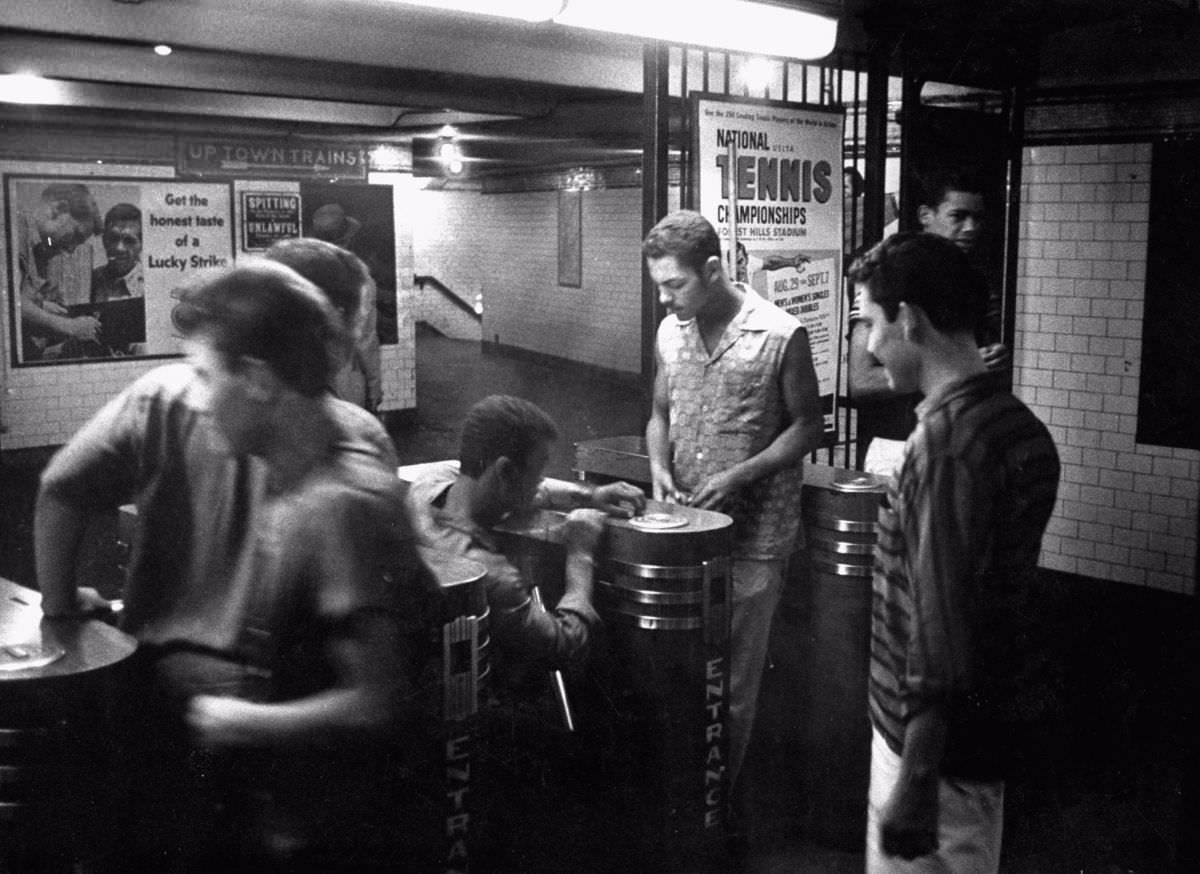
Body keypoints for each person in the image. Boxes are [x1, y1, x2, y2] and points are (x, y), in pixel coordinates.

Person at [35, 261, 424, 870]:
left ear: (260, 380)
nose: (200, 399)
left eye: (206, 375)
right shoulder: (299, 479)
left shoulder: (342, 502)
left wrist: (241, 722)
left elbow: (378, 700)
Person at [848, 232, 1060, 873]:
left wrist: (914, 781)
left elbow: (940, 627)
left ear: (908, 318)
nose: (870, 344)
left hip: (933, 760)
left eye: (869, 322)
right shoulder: (1013, 421)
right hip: (981, 740)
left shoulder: (944, 445)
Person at [642, 210, 824, 804]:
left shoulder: (779, 334)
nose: (665, 299)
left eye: (675, 285)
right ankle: (680, 792)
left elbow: (806, 427)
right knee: (685, 672)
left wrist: (742, 475)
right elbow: (659, 415)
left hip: (755, 538)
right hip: (685, 531)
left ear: (713, 269)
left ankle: (716, 806)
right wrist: (658, 467)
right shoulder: (671, 332)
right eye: (659, 287)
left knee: (734, 682)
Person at [405, 393, 645, 668]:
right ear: (506, 472)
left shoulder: (424, 489)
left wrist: (589, 494)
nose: (540, 481)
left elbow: (470, 476)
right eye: (538, 470)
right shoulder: (492, 576)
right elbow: (566, 644)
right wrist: (580, 557)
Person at [846, 168, 1008, 469]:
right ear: (925, 215)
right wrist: (957, 370)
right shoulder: (891, 275)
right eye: (957, 216)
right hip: (897, 440)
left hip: (960, 433)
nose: (971, 228)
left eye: (977, 218)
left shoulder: (974, 283)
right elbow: (861, 381)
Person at [266, 236, 382, 412]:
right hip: (343, 382)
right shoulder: (361, 284)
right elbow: (366, 341)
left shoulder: (284, 278)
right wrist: (375, 386)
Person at [308, 203, 384, 409]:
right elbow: (365, 338)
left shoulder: (298, 272)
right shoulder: (357, 278)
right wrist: (375, 383)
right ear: (347, 240)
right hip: (343, 374)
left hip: (304, 375)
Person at [17, 182, 103, 360]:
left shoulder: (40, 247)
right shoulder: (16, 228)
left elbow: (19, 297)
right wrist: (70, 326)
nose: (72, 250)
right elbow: (7, 304)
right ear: (59, 209)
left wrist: (41, 307)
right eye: (76, 236)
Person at [90, 203, 145, 303]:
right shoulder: (88, 282)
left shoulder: (152, 285)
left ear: (141, 245)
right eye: (113, 238)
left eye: (129, 241)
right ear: (104, 240)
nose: (119, 248)